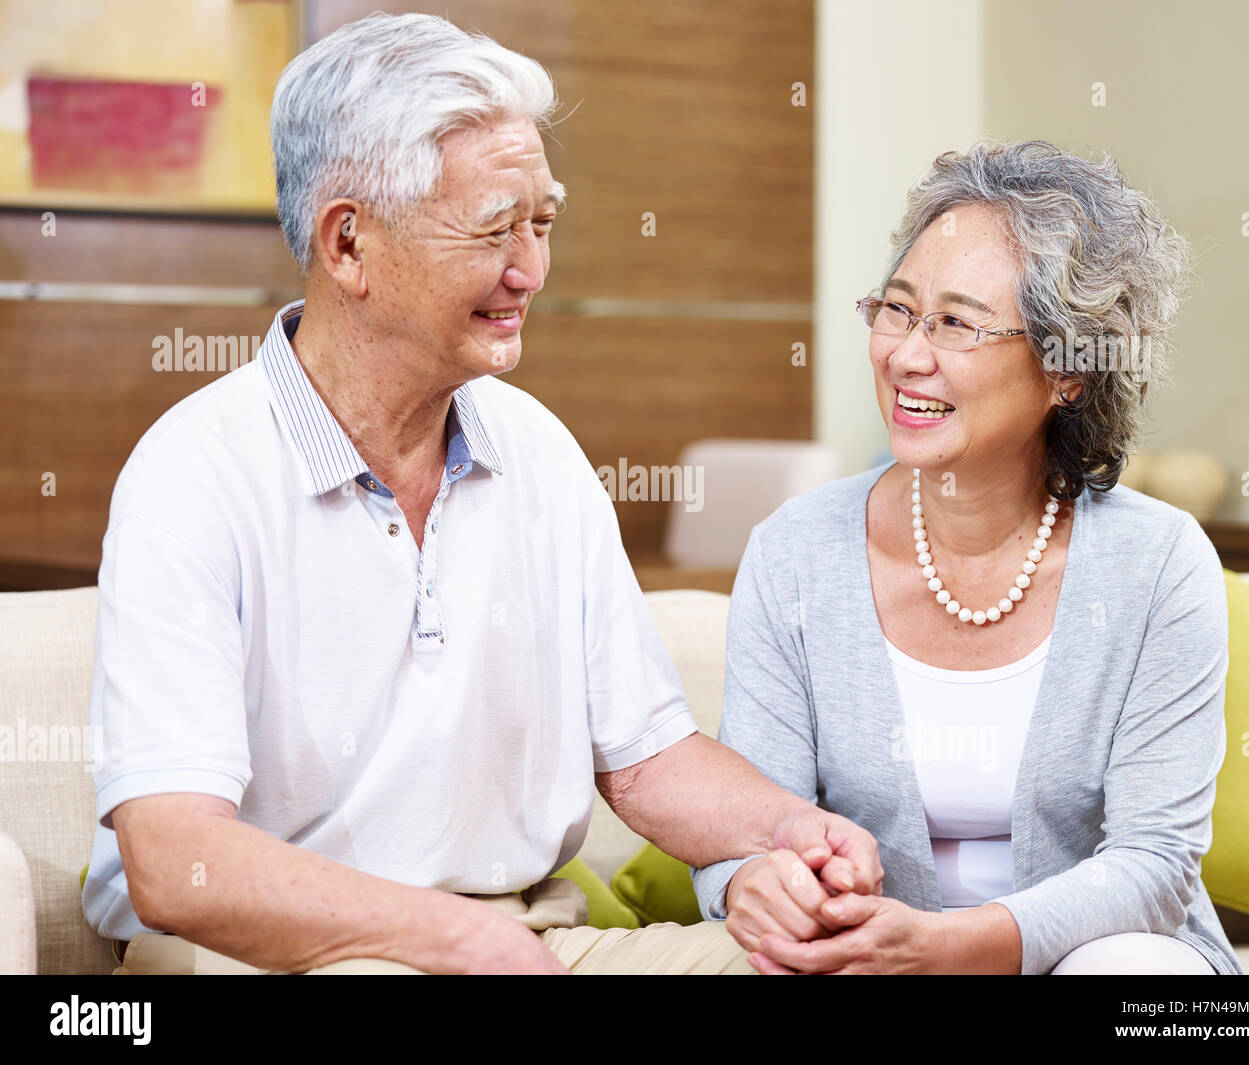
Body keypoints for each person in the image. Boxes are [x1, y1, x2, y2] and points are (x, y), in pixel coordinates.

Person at [80, 11, 882, 975]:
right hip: (271, 952)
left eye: (542, 223)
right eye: (496, 229)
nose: (531, 272)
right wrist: (449, 937)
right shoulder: (194, 472)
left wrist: (797, 829)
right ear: (348, 245)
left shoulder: (537, 448)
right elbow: (176, 862)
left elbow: (645, 759)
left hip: (524, 939)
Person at [692, 140, 1243, 975]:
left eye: (956, 322)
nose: (908, 354)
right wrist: (752, 882)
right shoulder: (795, 553)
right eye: (896, 309)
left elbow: (1155, 866)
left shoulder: (1159, 565)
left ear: (1069, 368)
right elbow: (743, 824)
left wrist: (946, 948)